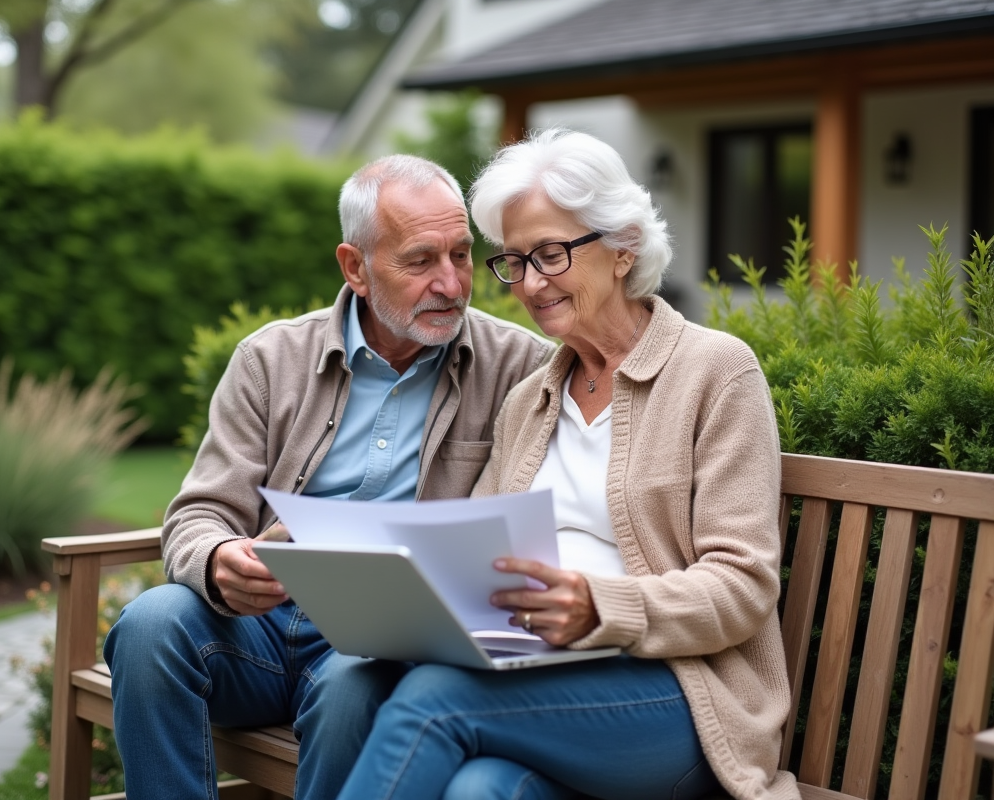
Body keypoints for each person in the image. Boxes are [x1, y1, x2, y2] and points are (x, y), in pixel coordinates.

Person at [335, 129, 798, 800]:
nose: (529, 282)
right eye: (514, 261)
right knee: (477, 787)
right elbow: (480, 551)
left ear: (622, 246)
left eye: (550, 254)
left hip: (681, 698)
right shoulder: (530, 399)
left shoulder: (715, 372)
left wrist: (598, 608)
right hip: (537, 682)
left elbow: (743, 586)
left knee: (433, 699)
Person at [102, 154, 553, 800]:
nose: (452, 284)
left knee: (353, 688)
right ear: (355, 267)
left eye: (460, 255)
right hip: (255, 626)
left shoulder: (522, 368)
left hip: (379, 640)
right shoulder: (269, 358)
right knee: (150, 625)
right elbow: (198, 513)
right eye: (422, 261)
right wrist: (219, 558)